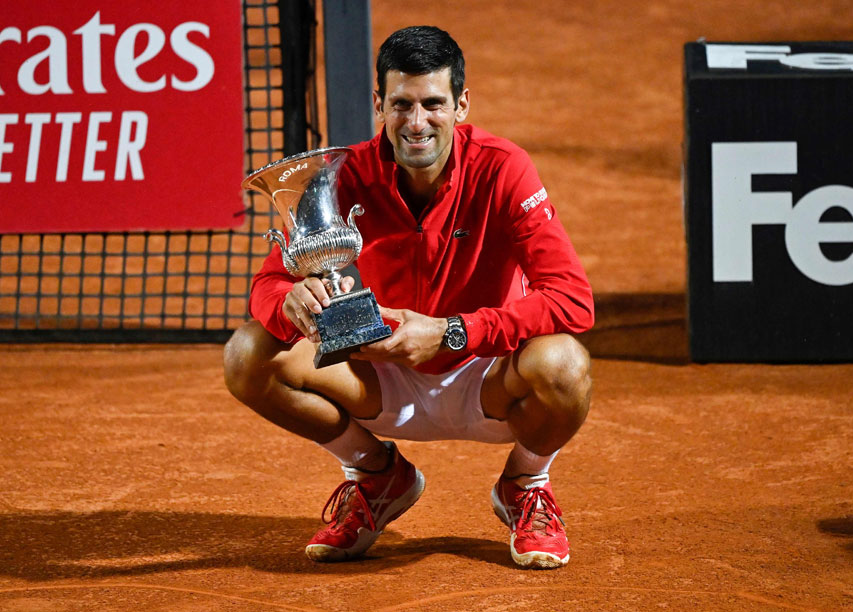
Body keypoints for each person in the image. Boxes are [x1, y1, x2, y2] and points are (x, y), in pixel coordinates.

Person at [224, 25, 594, 569]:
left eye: (433, 104)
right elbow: (267, 284)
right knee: (247, 355)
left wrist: (454, 331)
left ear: (461, 104)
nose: (417, 123)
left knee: (564, 364)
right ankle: (376, 474)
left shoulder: (503, 168)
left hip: (485, 376)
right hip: (379, 378)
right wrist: (287, 302)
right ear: (379, 104)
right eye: (401, 104)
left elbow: (573, 300)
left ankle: (526, 484)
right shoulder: (340, 177)